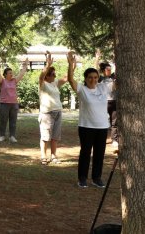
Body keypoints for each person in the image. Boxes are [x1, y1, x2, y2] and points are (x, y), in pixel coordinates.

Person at [68, 52, 110, 188]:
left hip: (102, 127)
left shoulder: (103, 87)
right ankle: (82, 178)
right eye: (90, 77)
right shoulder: (82, 90)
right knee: (85, 153)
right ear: (85, 79)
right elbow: (71, 80)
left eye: (95, 77)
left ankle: (96, 177)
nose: (93, 80)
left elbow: (116, 81)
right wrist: (70, 65)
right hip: (86, 126)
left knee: (99, 153)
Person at [38, 51, 68, 165]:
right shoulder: (43, 84)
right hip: (47, 114)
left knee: (55, 136)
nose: (55, 76)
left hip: (58, 112)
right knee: (45, 137)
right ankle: (43, 156)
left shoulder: (54, 83)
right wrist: (47, 65)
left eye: (55, 74)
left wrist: (71, 66)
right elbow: (41, 76)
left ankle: (54, 155)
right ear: (47, 76)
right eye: (53, 74)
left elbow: (66, 78)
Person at [0, 58, 29, 143]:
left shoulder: (14, 81)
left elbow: (21, 74)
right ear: (5, 74)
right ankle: (2, 136)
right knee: (3, 120)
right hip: (4, 104)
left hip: (14, 104)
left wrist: (25, 66)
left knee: (13, 121)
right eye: (10, 73)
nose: (12, 74)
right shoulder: (2, 81)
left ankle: (12, 136)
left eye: (12, 73)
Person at [95, 50, 118, 148]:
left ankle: (114, 140)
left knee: (114, 122)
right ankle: (101, 139)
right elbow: (95, 70)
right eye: (107, 69)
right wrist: (97, 59)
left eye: (110, 69)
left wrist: (115, 58)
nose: (109, 70)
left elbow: (118, 68)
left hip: (113, 102)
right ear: (104, 71)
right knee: (103, 121)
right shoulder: (100, 79)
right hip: (103, 103)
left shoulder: (114, 77)